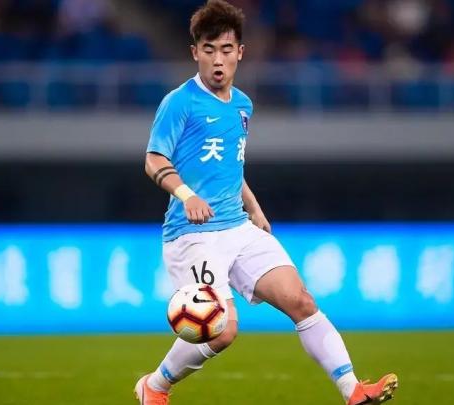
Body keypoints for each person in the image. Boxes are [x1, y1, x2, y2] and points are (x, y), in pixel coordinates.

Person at [135, 1, 398, 404]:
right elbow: (153, 159)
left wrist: (254, 207)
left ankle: (353, 390)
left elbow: (230, 167)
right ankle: (155, 385)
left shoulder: (242, 105)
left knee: (301, 301)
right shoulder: (179, 102)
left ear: (240, 52)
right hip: (192, 234)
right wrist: (186, 195)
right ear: (195, 52)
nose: (218, 60)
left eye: (226, 49)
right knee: (222, 331)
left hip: (237, 227)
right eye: (209, 49)